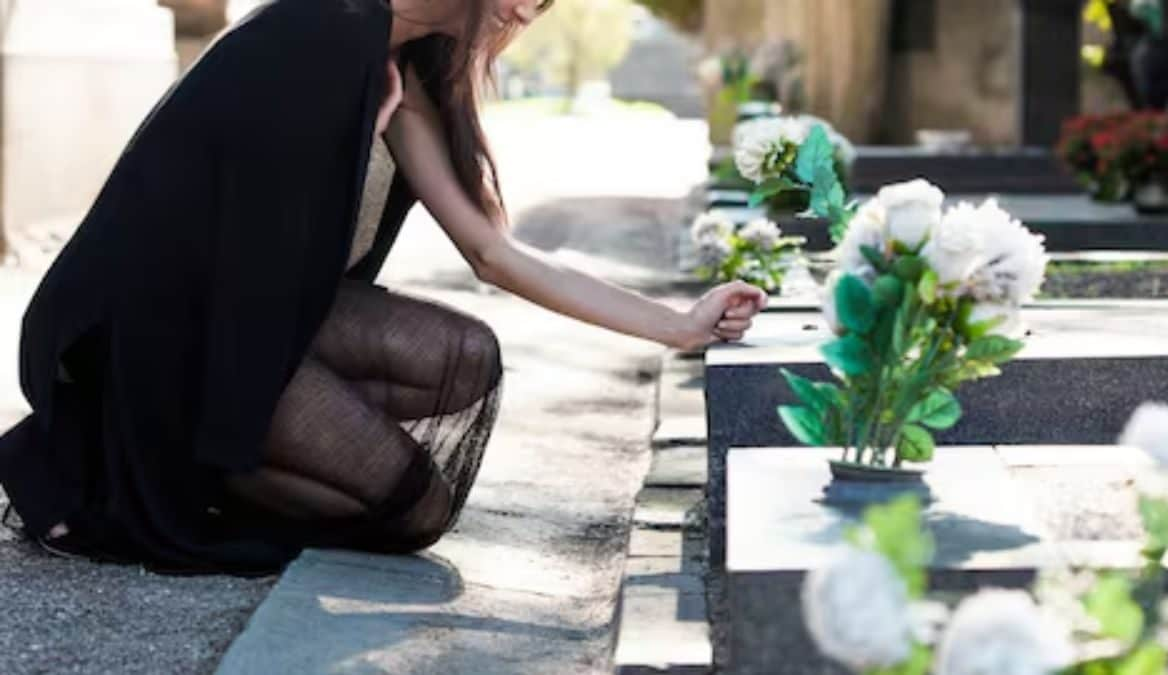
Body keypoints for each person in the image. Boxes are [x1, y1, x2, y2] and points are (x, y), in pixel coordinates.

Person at [0, 0, 767, 577]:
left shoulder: (413, 65)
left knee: (464, 355)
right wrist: (353, 126)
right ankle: (124, 451)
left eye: (543, 1)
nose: (524, 10)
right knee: (416, 506)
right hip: (159, 331)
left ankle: (207, 458)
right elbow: (232, 242)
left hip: (262, 320)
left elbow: (493, 251)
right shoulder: (323, 28)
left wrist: (679, 324)